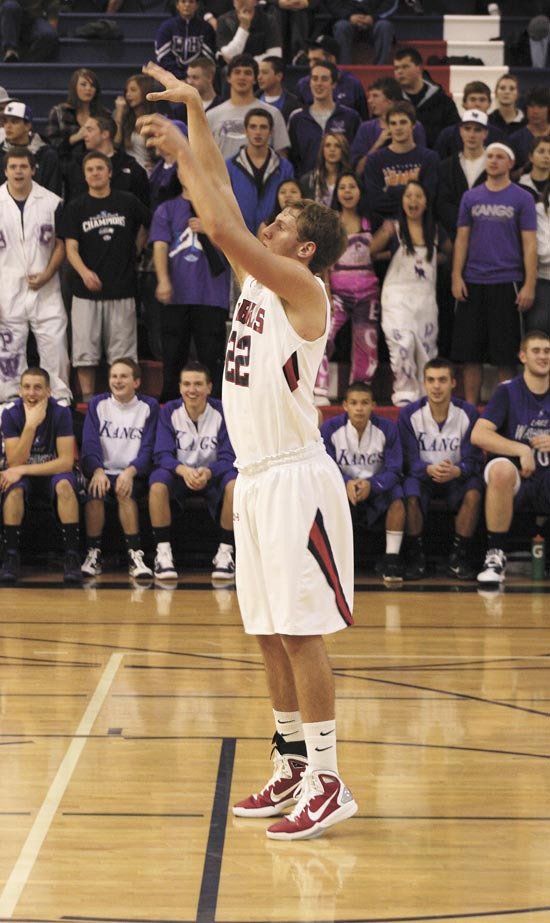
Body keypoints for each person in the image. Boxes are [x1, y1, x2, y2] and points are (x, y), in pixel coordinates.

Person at [138, 61, 357, 839]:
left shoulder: (304, 290)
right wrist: (198, 109)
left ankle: (329, 780)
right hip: (257, 479)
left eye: (283, 223)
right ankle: (291, 763)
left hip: (298, 479)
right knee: (267, 628)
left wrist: (178, 153)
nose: (270, 224)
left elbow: (221, 219)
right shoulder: (259, 278)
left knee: (301, 631)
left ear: (303, 247)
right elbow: (225, 200)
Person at [451, 142, 537, 405]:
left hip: (507, 282)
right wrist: (456, 276)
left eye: (500, 157)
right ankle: (469, 408)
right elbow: (462, 239)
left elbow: (530, 243)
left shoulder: (522, 198)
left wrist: (529, 284)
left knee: (505, 356)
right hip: (473, 282)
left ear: (510, 163)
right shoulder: (471, 197)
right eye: (490, 156)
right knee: (470, 354)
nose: (494, 161)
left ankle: (505, 410)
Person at [62, 150, 150, 402]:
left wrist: (138, 247)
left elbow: (149, 222)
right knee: (84, 352)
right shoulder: (76, 206)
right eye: (90, 170)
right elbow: (71, 247)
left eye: (100, 168)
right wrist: (84, 272)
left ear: (109, 172)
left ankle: (123, 401)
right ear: (84, 175)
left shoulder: (128, 201)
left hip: (122, 288)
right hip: (86, 292)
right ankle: (88, 400)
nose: (95, 173)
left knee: (122, 353)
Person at [471, 330, 550, 585]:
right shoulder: (508, 391)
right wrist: (521, 449)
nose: (543, 356)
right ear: (523, 356)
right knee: (500, 471)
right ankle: (495, 555)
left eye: (547, 351)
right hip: (517, 475)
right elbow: (479, 435)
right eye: (536, 351)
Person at [148, 361, 237, 582]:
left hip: (213, 475)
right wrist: (183, 471)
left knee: (236, 484)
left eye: (198, 384)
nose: (192, 390)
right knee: (157, 483)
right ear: (179, 388)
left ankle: (226, 552)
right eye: (186, 384)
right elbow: (161, 454)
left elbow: (230, 456)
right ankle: (163, 552)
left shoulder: (223, 411)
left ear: (209, 387)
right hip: (180, 475)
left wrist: (208, 472)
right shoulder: (169, 410)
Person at [398, 358, 483, 581]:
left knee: (474, 491)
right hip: (423, 476)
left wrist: (458, 470)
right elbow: (407, 459)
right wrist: (428, 469)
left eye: (443, 380)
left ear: (453, 383)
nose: (436, 386)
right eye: (431, 380)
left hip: (456, 476)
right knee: (409, 491)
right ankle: (416, 556)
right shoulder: (409, 414)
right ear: (424, 383)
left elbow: (474, 458)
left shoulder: (468, 413)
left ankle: (458, 556)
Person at [0, 148, 71, 405]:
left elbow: (61, 244)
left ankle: (60, 401)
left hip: (46, 288)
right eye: (13, 167)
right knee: (8, 352)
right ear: (6, 170)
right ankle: (9, 404)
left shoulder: (52, 202)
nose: (18, 171)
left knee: (55, 347)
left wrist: (47, 273)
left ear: (33, 170)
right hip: (6, 290)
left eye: (23, 167)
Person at [0, 367, 81, 585]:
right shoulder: (10, 413)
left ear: (48, 391)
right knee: (14, 489)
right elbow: (14, 461)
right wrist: (30, 426)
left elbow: (65, 461)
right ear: (19, 390)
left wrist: (23, 469)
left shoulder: (61, 412)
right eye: (26, 387)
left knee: (64, 485)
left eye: (37, 388)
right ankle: (11, 555)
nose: (31, 393)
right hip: (25, 476)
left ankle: (72, 555)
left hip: (52, 474)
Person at [370, 180, 448, 406]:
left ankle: (427, 392)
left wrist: (431, 261)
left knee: (425, 345)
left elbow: (450, 254)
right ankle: (403, 392)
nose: (413, 201)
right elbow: (371, 252)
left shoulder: (434, 230)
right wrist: (382, 238)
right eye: (408, 196)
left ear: (426, 202)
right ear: (402, 202)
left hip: (424, 298)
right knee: (402, 344)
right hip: (397, 298)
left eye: (418, 196)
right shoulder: (393, 228)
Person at [80, 358, 159, 581]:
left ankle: (135, 556)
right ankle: (93, 554)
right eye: (114, 376)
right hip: (103, 472)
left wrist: (131, 471)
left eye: (124, 376)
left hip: (133, 473)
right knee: (94, 493)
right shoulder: (98, 404)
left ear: (136, 382)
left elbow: (149, 447)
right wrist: (96, 470)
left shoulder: (148, 406)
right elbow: (89, 443)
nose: (117, 380)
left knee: (125, 492)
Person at [150, 184, 230, 400]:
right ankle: (170, 404)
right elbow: (160, 246)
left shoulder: (221, 209)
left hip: (211, 295)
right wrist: (163, 280)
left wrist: (210, 231)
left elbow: (236, 245)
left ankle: (215, 404)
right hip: (177, 294)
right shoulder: (167, 209)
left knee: (211, 356)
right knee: (173, 355)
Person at [321, 380, 405, 583]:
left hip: (377, 486)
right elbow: (323, 466)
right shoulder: (330, 429)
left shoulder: (387, 428)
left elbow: (395, 469)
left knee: (398, 497)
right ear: (345, 405)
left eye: (365, 403)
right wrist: (345, 483)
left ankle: (391, 559)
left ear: (373, 405)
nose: (359, 408)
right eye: (354, 403)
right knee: (322, 495)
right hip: (343, 487)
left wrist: (372, 485)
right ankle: (332, 561)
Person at [325, 172, 380, 386]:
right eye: (342, 187)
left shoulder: (370, 221)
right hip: (337, 294)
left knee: (366, 341)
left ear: (360, 192)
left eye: (352, 187)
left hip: (368, 293)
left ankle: (361, 387)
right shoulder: (331, 223)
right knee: (323, 337)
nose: (347, 191)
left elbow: (377, 253)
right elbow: (324, 263)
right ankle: (318, 388)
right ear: (336, 193)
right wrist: (327, 294)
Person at [361, 100, 439, 220]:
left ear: (413, 125)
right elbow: (374, 202)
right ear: (387, 127)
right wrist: (414, 197)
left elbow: (429, 198)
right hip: (385, 226)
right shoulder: (374, 160)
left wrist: (390, 190)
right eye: (393, 123)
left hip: (421, 225)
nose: (398, 128)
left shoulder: (430, 158)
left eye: (403, 122)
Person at [206, 54, 290, 159]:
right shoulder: (211, 116)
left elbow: (282, 157)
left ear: (255, 79)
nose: (242, 77)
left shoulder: (273, 113)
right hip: (221, 175)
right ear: (228, 78)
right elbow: (204, 157)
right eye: (237, 72)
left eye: (247, 73)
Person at [226, 107, 294, 235]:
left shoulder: (285, 167)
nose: (258, 132)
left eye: (263, 127)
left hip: (273, 238)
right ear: (245, 131)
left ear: (271, 132)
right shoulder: (229, 166)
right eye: (253, 127)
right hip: (238, 238)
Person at [287, 60, 360, 178]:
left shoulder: (350, 117)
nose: (319, 83)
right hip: (307, 186)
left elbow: (355, 155)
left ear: (334, 84)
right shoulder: (297, 118)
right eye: (314, 79)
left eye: (324, 79)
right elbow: (292, 159)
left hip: (341, 187)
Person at [63, 114, 150, 206]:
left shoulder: (132, 169)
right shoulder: (76, 167)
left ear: (105, 134)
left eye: (89, 130)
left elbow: (143, 209)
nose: (84, 135)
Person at [351, 75, 425, 174]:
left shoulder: (415, 126)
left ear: (391, 101)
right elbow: (358, 171)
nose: (369, 101)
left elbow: (422, 163)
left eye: (375, 96)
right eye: (369, 96)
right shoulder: (365, 129)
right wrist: (377, 145)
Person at [393, 46, 459, 150]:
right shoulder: (391, 100)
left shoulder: (443, 101)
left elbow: (454, 135)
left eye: (405, 67)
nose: (399, 72)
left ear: (419, 68)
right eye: (396, 68)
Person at [436, 109, 488, 242]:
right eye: (467, 128)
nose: (471, 134)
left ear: (485, 133)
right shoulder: (445, 167)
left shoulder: (495, 165)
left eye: (477, 130)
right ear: (460, 131)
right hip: (454, 235)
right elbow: (443, 203)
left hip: (487, 235)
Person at [519, 137, 550, 336]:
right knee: (538, 326)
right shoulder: (535, 204)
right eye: (541, 151)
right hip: (541, 277)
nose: (546, 157)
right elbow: (542, 251)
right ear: (530, 156)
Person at [295, 36, 368, 119]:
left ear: (331, 59)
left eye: (316, 60)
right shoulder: (303, 85)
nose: (311, 65)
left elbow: (363, 121)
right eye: (310, 60)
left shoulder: (353, 84)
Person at [46, 68, 107, 169]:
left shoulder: (103, 114)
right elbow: (52, 145)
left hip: (97, 167)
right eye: (83, 85)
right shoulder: (59, 112)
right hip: (66, 168)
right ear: (74, 87)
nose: (88, 89)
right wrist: (76, 137)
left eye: (92, 86)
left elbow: (109, 143)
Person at [0, 101, 61, 195]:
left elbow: (53, 190)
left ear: (27, 126)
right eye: (5, 121)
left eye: (14, 122)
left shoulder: (47, 155)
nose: (8, 126)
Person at [434, 81, 504, 160]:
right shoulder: (447, 135)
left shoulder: (498, 135)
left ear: (489, 104)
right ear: (464, 103)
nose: (477, 104)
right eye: (472, 99)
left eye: (482, 100)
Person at [155, 0, 216, 80]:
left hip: (198, 78)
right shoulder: (166, 28)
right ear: (177, 5)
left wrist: (191, 76)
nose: (187, 5)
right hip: (170, 77)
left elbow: (207, 58)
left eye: (191, 2)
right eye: (183, 1)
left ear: (196, 6)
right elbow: (162, 57)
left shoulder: (206, 28)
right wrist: (179, 76)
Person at [323, 0, 396, 66]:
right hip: (347, 22)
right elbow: (333, 5)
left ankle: (381, 68)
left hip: (375, 23)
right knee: (341, 26)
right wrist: (348, 17)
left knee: (385, 26)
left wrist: (373, 18)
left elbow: (390, 4)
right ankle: (344, 68)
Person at [113, 74, 158, 175]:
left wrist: (157, 166)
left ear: (145, 91)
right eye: (127, 91)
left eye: (133, 90)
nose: (128, 94)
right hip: (128, 173)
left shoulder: (156, 120)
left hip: (148, 173)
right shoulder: (123, 118)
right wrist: (119, 114)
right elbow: (115, 143)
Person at [216, 0, 282, 64]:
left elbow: (275, 55)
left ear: (256, 1)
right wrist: (243, 27)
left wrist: (249, 64)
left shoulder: (269, 20)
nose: (242, 1)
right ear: (233, 2)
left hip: (261, 67)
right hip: (234, 69)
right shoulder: (224, 20)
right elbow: (229, 56)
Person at [299, 131, 350, 206]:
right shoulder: (308, 180)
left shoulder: (351, 180)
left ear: (343, 150)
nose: (332, 149)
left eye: (337, 146)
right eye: (328, 145)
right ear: (322, 150)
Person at [510, 86, 550, 172]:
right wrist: (526, 169)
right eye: (531, 106)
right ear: (526, 108)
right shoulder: (515, 139)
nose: (535, 111)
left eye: (540, 106)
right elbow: (508, 176)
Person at [257, 56, 300, 123]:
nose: (259, 77)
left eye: (264, 73)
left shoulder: (295, 105)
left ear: (279, 76)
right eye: (258, 73)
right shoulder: (253, 99)